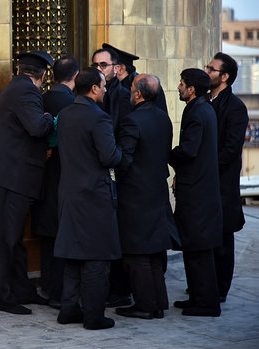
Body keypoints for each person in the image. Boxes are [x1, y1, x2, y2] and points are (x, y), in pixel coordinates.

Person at [0, 51, 55, 315]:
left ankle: (21, 290)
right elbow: (37, 127)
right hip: (8, 177)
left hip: (6, 176)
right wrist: (53, 119)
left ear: (21, 70)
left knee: (13, 238)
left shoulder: (16, 87)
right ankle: (1, 297)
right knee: (3, 239)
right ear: (42, 75)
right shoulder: (27, 92)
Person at [54, 67, 122, 330]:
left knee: (73, 254)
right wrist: (120, 153)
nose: (106, 89)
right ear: (94, 88)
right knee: (96, 257)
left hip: (69, 194)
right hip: (94, 197)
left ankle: (68, 309)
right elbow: (109, 157)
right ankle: (94, 317)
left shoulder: (66, 114)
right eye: (103, 85)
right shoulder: (99, 118)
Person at [114, 74, 173, 320]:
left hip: (136, 197)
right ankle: (157, 303)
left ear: (138, 94)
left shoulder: (131, 121)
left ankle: (146, 305)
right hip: (157, 193)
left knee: (136, 253)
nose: (129, 91)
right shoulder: (164, 118)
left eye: (131, 88)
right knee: (154, 252)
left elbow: (124, 160)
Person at [169, 68, 222, 317]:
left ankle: (207, 303)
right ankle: (198, 298)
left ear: (191, 89)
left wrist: (166, 154)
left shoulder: (199, 112)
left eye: (182, 84)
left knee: (198, 248)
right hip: (197, 188)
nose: (179, 87)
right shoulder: (201, 108)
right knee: (193, 247)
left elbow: (189, 150)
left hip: (197, 193)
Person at [31, 55, 79, 309]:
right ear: (76, 76)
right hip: (64, 178)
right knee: (62, 234)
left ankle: (49, 287)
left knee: (48, 236)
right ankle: (61, 292)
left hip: (42, 176)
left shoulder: (42, 97)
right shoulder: (72, 103)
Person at [91, 46, 132, 308]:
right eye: (95, 65)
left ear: (115, 69)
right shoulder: (95, 95)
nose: (98, 70)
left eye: (103, 65)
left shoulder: (122, 96)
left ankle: (120, 289)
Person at [206, 52, 249, 302]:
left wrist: (205, 168)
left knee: (223, 240)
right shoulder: (204, 101)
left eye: (212, 69)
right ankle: (205, 284)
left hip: (222, 184)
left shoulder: (235, 107)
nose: (207, 72)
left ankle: (220, 289)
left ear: (225, 77)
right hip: (207, 184)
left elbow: (231, 150)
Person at [102, 43, 168, 113]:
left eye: (104, 65)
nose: (98, 69)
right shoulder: (111, 88)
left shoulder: (146, 84)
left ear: (121, 69)